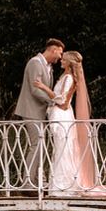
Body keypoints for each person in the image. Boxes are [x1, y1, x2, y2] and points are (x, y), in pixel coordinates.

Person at [33, 50, 98, 196]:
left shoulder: (68, 78)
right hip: (58, 114)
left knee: (63, 149)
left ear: (69, 63)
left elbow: (62, 100)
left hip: (62, 116)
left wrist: (44, 88)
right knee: (60, 149)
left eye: (63, 60)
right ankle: (60, 185)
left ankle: (64, 187)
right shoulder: (65, 76)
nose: (61, 61)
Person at [15, 38, 65, 188]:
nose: (60, 57)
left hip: (39, 111)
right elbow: (35, 90)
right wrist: (53, 102)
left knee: (40, 145)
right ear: (53, 49)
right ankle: (28, 184)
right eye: (60, 53)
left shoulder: (48, 66)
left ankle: (36, 181)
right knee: (36, 144)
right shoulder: (35, 63)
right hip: (31, 110)